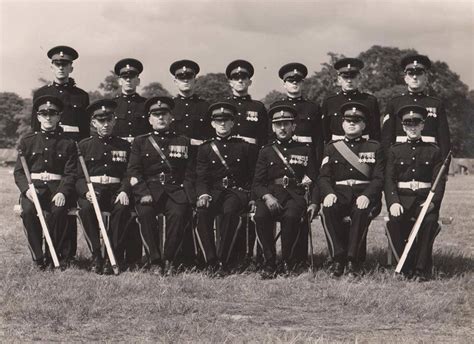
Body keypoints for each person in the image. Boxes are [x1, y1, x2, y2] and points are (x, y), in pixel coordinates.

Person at [31, 45, 90, 261]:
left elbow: (84, 133)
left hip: (71, 156)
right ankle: (45, 253)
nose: (61, 67)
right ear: (52, 66)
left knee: (68, 203)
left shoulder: (81, 96)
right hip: (48, 157)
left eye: (65, 64)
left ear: (71, 67)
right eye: (57, 64)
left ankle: (66, 254)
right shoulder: (41, 94)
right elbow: (34, 131)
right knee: (47, 208)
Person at [127, 96, 194, 275]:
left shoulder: (183, 141)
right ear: (149, 119)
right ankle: (155, 260)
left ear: (171, 117)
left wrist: (188, 195)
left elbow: (189, 172)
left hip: (175, 190)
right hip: (150, 189)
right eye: (156, 115)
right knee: (146, 214)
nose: (160, 118)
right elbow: (133, 171)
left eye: (164, 114)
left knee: (179, 214)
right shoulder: (140, 142)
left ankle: (169, 259)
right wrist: (142, 193)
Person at [252, 105, 319, 278]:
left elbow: (314, 179)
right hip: (271, 194)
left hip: (294, 195)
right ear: (273, 127)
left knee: (291, 217)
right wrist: (267, 197)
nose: (282, 128)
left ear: (293, 126)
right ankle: (269, 262)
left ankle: (287, 261)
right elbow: (257, 183)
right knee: (260, 216)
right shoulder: (266, 151)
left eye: (286, 124)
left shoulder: (305, 150)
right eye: (278, 124)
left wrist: (314, 202)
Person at [319, 102, 384, 277]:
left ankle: (352, 261)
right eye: (348, 120)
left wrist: (368, 196)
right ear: (342, 124)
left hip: (364, 194)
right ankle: (338, 257)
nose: (352, 123)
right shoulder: (332, 148)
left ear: (364, 125)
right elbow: (324, 177)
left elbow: (379, 178)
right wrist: (329, 193)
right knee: (328, 210)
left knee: (361, 211)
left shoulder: (374, 147)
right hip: (339, 193)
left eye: (357, 120)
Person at [270, 63, 323, 265]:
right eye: (290, 81)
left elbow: (318, 140)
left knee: (301, 207)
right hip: (283, 163)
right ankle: (285, 257)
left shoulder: (312, 108)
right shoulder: (276, 107)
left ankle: (298, 257)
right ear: (284, 84)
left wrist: (316, 168)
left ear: (303, 83)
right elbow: (271, 141)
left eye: (298, 81)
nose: (294, 84)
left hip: (305, 164)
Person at [194, 102, 257, 275]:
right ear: (212, 123)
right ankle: (211, 260)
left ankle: (223, 260)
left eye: (226, 120)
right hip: (213, 191)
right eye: (218, 121)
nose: (222, 124)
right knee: (202, 212)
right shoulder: (205, 149)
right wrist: (203, 194)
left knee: (230, 211)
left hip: (237, 192)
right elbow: (201, 176)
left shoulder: (244, 147)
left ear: (232, 123)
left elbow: (253, 176)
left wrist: (251, 196)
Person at [15, 95, 77, 270]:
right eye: (44, 113)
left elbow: (70, 172)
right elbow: (19, 171)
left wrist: (62, 192)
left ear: (59, 116)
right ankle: (38, 258)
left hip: (56, 189)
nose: (48, 117)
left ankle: (54, 256)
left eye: (52, 113)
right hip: (33, 189)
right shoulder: (27, 141)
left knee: (59, 211)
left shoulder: (68, 143)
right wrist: (26, 190)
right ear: (38, 117)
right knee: (27, 211)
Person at [385, 105, 446, 281]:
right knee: (395, 222)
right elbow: (389, 180)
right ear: (403, 127)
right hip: (401, 199)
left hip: (424, 199)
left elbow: (439, 182)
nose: (412, 127)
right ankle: (406, 265)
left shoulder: (434, 151)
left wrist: (432, 203)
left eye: (416, 123)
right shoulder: (395, 150)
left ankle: (421, 269)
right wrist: (393, 202)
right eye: (408, 124)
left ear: (422, 125)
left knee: (429, 222)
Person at [76, 99, 133, 274]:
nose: (106, 124)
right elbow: (77, 176)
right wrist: (86, 192)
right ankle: (96, 255)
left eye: (109, 120)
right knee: (85, 209)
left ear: (115, 121)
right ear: (94, 122)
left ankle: (111, 255)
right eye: (101, 121)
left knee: (123, 208)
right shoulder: (83, 146)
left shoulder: (125, 145)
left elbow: (129, 173)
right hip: (93, 190)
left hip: (116, 191)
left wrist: (125, 190)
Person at [224, 59, 268, 268]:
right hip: (229, 165)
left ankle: (254, 256)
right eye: (235, 78)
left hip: (253, 164)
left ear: (249, 81)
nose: (239, 81)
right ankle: (233, 254)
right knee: (232, 207)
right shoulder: (223, 107)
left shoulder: (257, 107)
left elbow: (264, 139)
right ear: (230, 82)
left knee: (252, 208)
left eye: (243, 78)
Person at [168, 59, 211, 266]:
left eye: (189, 77)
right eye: (181, 77)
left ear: (195, 80)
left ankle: (201, 256)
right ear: (175, 81)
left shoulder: (205, 107)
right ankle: (179, 256)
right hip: (175, 167)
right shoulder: (169, 107)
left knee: (198, 209)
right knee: (180, 209)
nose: (185, 80)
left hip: (199, 165)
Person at [111, 58, 148, 268]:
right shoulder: (112, 105)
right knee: (120, 206)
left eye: (132, 77)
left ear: (138, 80)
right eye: (124, 77)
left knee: (136, 207)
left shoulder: (145, 105)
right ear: (119, 80)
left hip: (139, 162)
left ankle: (134, 257)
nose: (128, 80)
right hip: (118, 160)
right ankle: (115, 253)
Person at [381, 54, 450, 160]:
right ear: (405, 78)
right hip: (400, 160)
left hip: (428, 159)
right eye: (410, 73)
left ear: (426, 77)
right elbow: (386, 139)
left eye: (419, 73)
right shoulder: (394, 103)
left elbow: (444, 140)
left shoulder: (436, 104)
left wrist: (443, 169)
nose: (414, 77)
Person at [321, 57, 381, 143]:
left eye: (353, 77)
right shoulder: (330, 102)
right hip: (337, 149)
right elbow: (325, 132)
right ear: (339, 79)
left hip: (364, 149)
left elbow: (375, 132)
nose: (349, 81)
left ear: (359, 78)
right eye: (345, 77)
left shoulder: (370, 101)